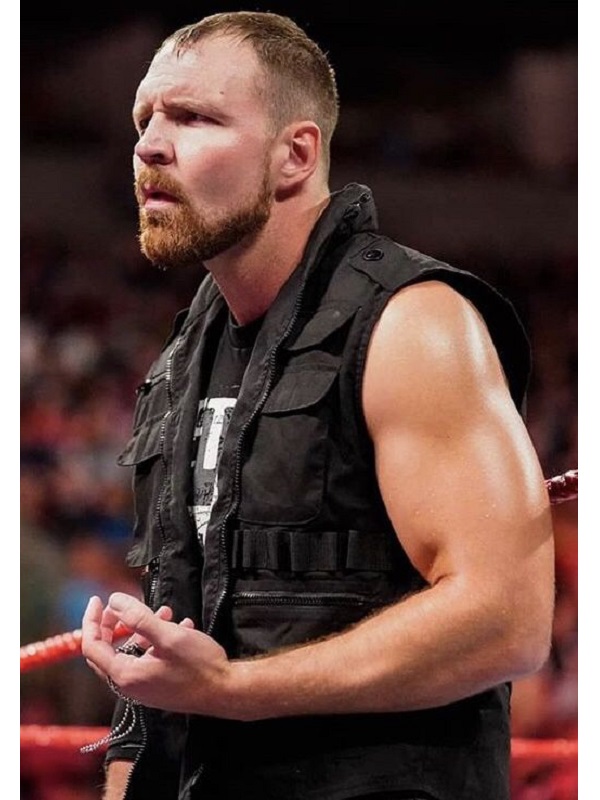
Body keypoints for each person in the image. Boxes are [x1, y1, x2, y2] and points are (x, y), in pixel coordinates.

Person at [81, 11, 555, 800]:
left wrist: (230, 690)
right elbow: (161, 668)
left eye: (193, 118)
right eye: (144, 120)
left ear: (295, 155)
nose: (150, 145)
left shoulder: (413, 323)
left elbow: (505, 620)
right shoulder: (184, 358)